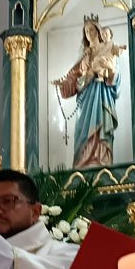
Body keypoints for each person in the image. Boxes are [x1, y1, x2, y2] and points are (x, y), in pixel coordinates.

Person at [53, 15, 122, 168]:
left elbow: (116, 79)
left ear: (98, 31)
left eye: (91, 30)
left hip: (102, 97)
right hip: (85, 101)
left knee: (101, 131)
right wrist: (64, 84)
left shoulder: (108, 50)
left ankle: (102, 162)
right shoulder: (83, 55)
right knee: (82, 132)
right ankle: (82, 164)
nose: (89, 33)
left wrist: (109, 71)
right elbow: (73, 78)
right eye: (86, 31)